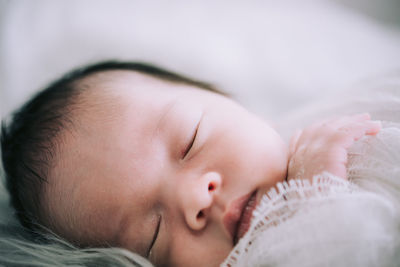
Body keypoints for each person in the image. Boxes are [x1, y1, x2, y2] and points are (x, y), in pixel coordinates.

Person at [0, 61, 388, 267]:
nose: (194, 198)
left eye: (191, 141)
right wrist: (315, 202)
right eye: (152, 236)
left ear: (230, 101)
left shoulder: (350, 113)